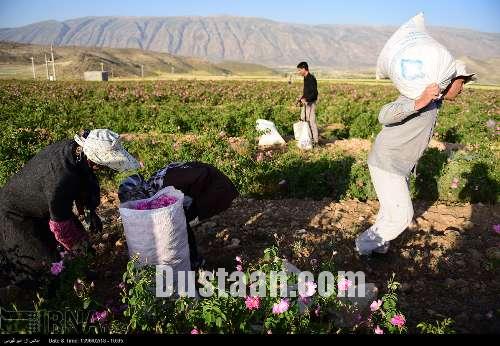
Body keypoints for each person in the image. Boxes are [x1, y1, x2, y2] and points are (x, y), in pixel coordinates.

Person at [355, 61, 475, 256]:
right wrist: (419, 102)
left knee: (389, 211)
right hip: (388, 161)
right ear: (451, 80)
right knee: (402, 215)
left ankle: (378, 248)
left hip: (400, 163)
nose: (462, 88)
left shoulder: (436, 101)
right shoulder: (420, 94)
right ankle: (363, 246)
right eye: (462, 82)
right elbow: (384, 115)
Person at [0, 129, 141, 291]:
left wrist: (90, 210)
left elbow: (85, 179)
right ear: (93, 161)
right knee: (44, 271)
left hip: (41, 206)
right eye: (102, 165)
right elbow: (60, 226)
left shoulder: (75, 151)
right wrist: (78, 250)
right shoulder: (61, 179)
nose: (104, 169)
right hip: (15, 215)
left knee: (74, 247)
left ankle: (77, 270)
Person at [118, 162, 239, 270]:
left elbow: (199, 173)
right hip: (206, 185)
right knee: (180, 223)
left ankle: (195, 262)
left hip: (216, 188)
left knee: (180, 225)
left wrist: (195, 197)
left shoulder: (165, 183)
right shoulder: (154, 184)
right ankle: (192, 260)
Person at [296, 61, 319, 145]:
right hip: (306, 103)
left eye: (299, 70)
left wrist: (307, 99)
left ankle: (315, 141)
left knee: (311, 121)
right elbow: (307, 92)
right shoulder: (305, 78)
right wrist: (301, 98)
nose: (298, 72)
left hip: (311, 103)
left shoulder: (311, 78)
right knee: (303, 119)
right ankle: (308, 138)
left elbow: (314, 93)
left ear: (303, 69)